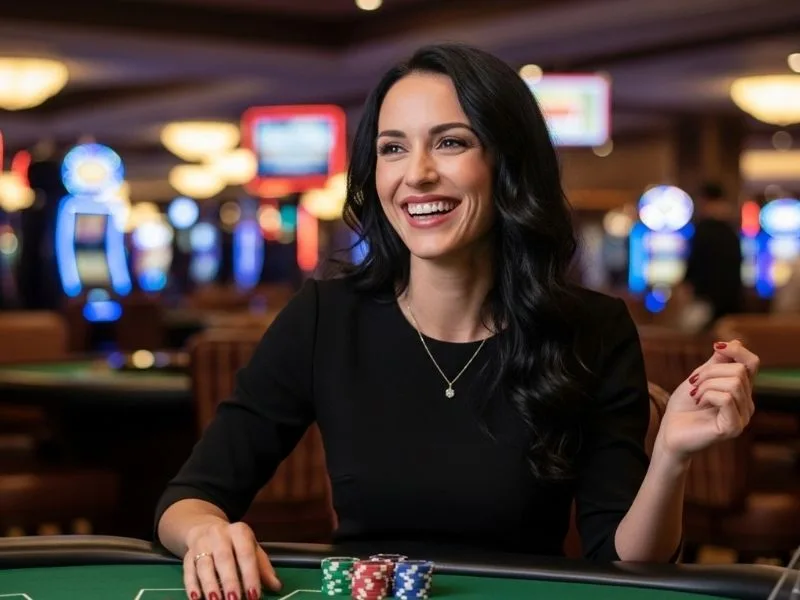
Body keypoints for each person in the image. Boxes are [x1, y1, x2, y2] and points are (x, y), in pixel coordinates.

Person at [155, 44, 759, 600]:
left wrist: (673, 455)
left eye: (450, 142)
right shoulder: (324, 316)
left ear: (508, 164)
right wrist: (206, 530)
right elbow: (188, 498)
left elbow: (625, 566)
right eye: (392, 148)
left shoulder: (591, 329)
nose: (416, 173)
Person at [678, 182, 744, 329]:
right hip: (732, 304)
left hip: (707, 304)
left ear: (704, 200)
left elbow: (694, 266)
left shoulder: (704, 229)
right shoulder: (731, 229)